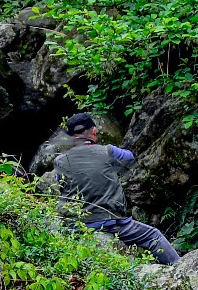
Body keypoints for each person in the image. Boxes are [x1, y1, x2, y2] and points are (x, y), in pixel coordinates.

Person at [46, 111, 181, 265]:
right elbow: (130, 157)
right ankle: (179, 269)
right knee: (153, 235)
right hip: (109, 223)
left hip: (75, 226)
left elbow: (61, 185)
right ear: (94, 131)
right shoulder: (108, 151)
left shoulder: (60, 161)